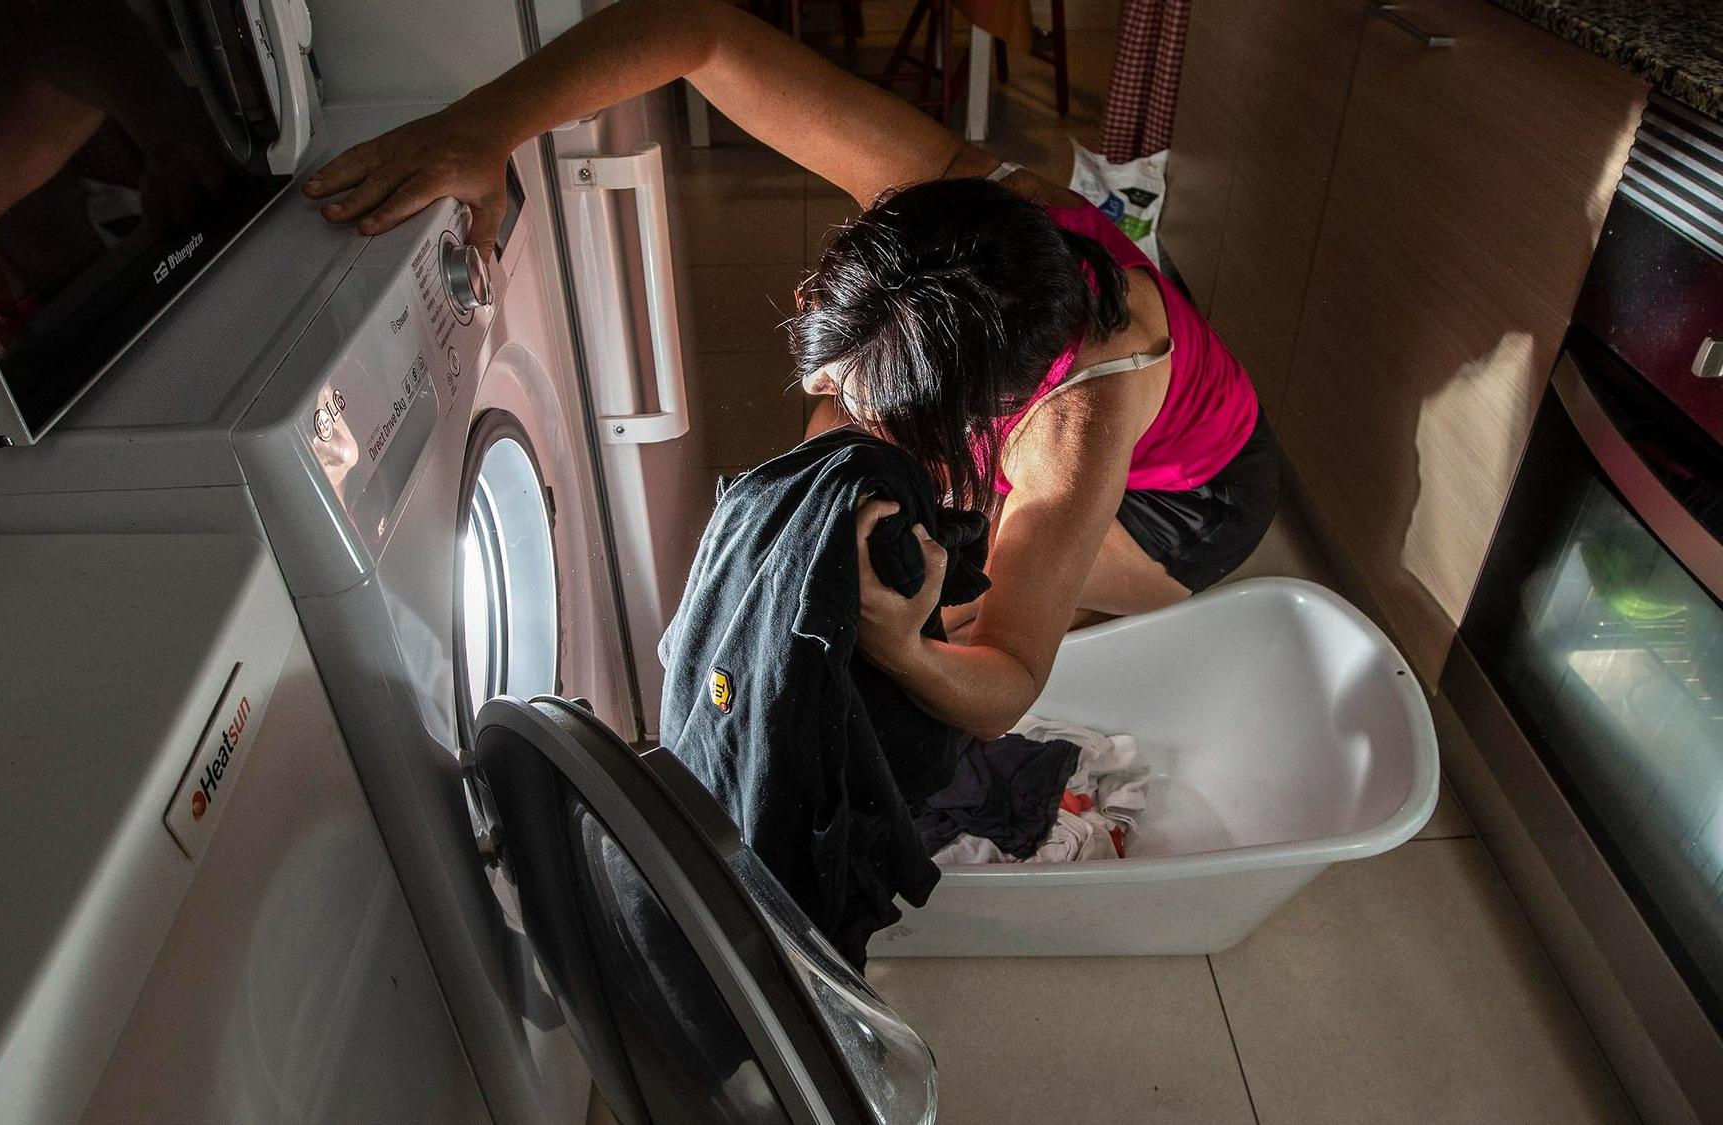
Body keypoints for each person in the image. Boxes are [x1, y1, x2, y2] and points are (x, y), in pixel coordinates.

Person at [303, 0, 1279, 741]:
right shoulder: (950, 193)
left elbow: (1006, 679)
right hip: (1076, 404)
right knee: (853, 516)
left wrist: (904, 644)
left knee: (935, 612)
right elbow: (699, 28)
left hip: (1185, 509)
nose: (824, 398)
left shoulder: (1077, 425)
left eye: (876, 403)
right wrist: (487, 125)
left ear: (987, 416)